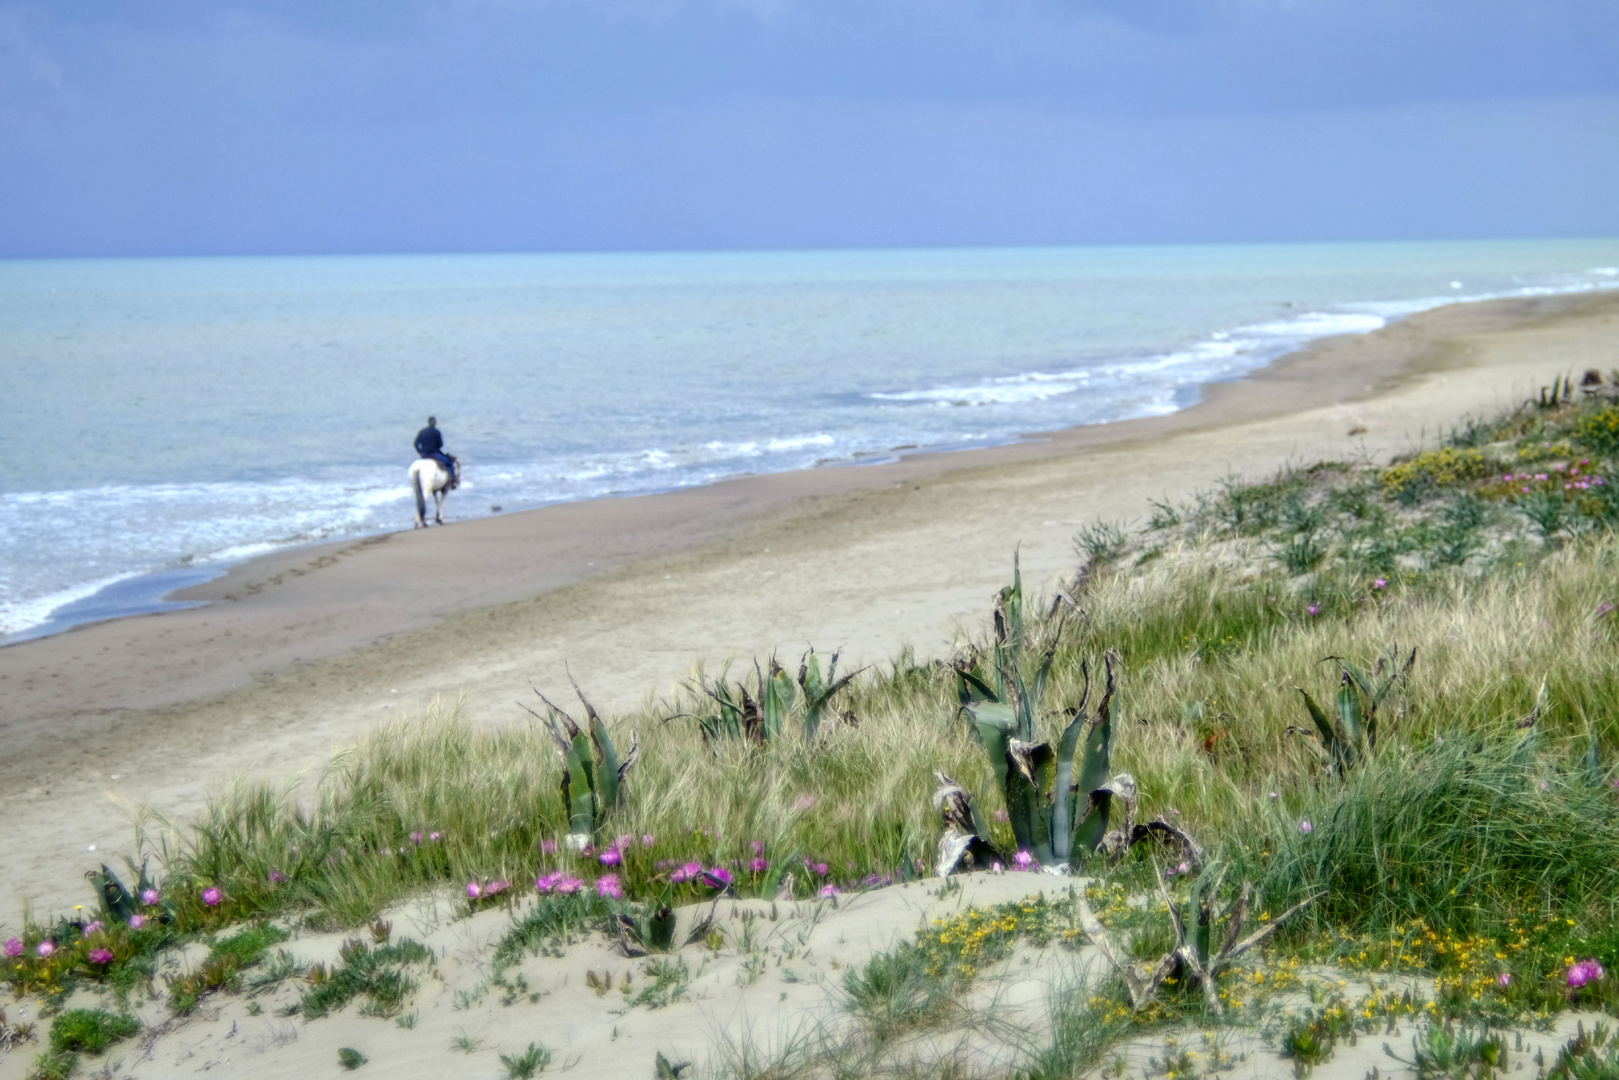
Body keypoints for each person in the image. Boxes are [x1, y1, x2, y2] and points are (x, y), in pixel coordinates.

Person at [414, 416, 459, 488]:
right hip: (434, 454)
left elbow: (416, 444)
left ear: (428, 423)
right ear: (435, 423)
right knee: (449, 463)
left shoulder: (422, 432)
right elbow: (440, 445)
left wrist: (420, 452)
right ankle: (452, 481)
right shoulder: (437, 432)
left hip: (424, 455)